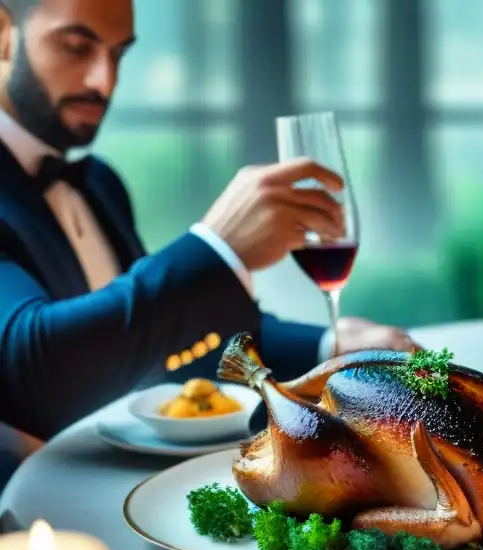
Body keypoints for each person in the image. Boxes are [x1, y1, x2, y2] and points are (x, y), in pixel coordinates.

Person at [0, 0, 417, 444]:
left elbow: (164, 345)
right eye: (76, 47)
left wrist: (326, 348)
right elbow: (31, 375)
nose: (105, 81)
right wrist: (215, 248)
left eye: (119, 54)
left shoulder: (99, 184)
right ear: (4, 33)